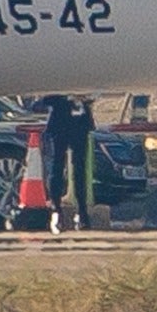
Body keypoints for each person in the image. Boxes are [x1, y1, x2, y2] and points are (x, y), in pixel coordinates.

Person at [38, 94, 95, 232]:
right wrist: (67, 99)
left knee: (80, 169)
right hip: (60, 123)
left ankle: (82, 210)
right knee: (57, 167)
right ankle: (56, 209)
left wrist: (84, 100)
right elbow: (46, 99)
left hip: (80, 124)